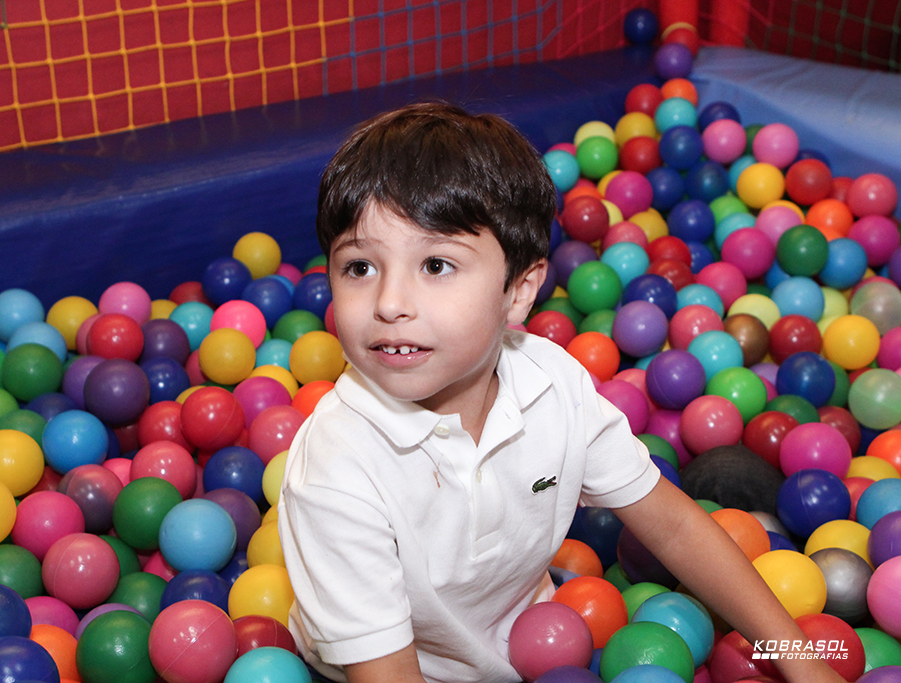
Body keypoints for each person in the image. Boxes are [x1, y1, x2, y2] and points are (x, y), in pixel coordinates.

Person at [277, 102, 845, 683]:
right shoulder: (337, 470)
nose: (389, 302)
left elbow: (673, 527)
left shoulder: (553, 384)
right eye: (359, 268)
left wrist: (803, 663)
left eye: (437, 264)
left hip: (541, 643)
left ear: (519, 292)